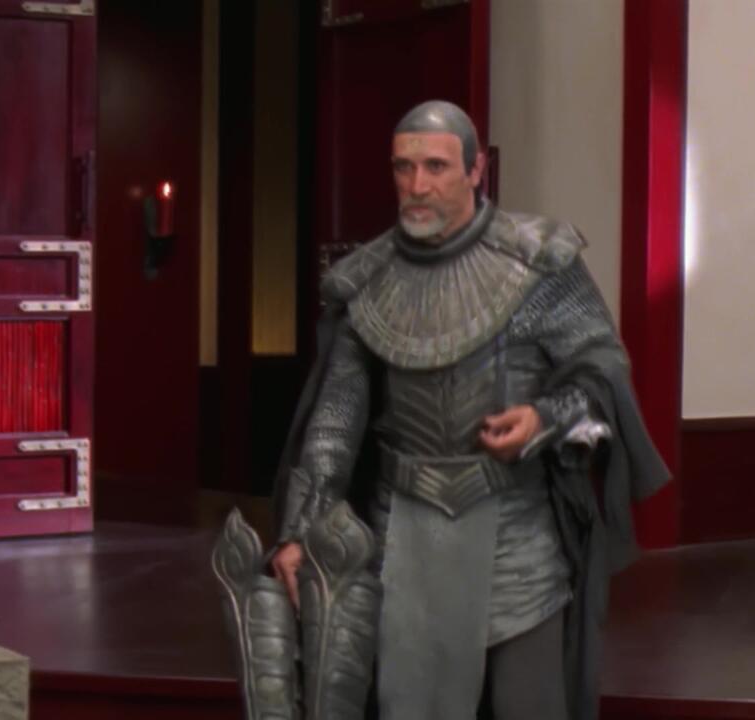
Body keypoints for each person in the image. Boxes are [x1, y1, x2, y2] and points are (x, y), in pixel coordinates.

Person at [270, 100, 669, 720]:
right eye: (403, 168)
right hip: (400, 534)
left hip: (515, 527)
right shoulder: (367, 280)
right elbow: (335, 420)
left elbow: (602, 369)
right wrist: (300, 529)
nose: (417, 185)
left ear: (476, 169)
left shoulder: (539, 261)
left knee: (528, 705)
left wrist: (543, 418)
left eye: (436, 166)